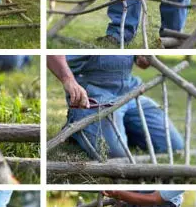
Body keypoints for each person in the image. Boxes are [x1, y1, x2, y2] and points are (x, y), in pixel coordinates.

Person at [47, 55, 184, 160]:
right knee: (116, 156)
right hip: (95, 95)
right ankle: (79, 125)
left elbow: (139, 59)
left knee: (175, 148)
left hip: (130, 92)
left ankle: (121, 129)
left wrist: (140, 56)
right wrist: (68, 80)